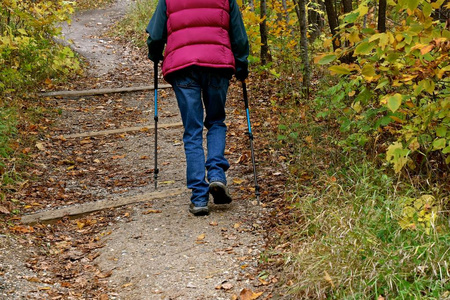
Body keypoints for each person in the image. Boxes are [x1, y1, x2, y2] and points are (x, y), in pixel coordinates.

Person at [146, 0, 249, 216]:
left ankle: (199, 197)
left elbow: (155, 36)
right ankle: (217, 175)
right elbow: (239, 36)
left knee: (192, 131)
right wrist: (241, 65)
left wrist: (155, 54)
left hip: (183, 67)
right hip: (217, 65)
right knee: (216, 122)